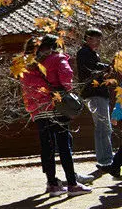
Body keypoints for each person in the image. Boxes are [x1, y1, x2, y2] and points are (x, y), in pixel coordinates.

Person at [19, 35, 91, 196]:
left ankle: (52, 184)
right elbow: (67, 80)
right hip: (56, 107)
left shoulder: (25, 65)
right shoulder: (57, 58)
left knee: (47, 147)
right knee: (64, 145)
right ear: (53, 45)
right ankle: (72, 184)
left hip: (38, 109)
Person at [75, 28, 114, 174]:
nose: (97, 42)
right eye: (94, 38)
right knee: (103, 128)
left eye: (99, 39)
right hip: (94, 94)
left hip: (97, 94)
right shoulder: (84, 53)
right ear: (87, 39)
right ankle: (105, 161)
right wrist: (107, 67)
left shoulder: (92, 53)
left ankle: (105, 158)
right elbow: (91, 69)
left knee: (103, 128)